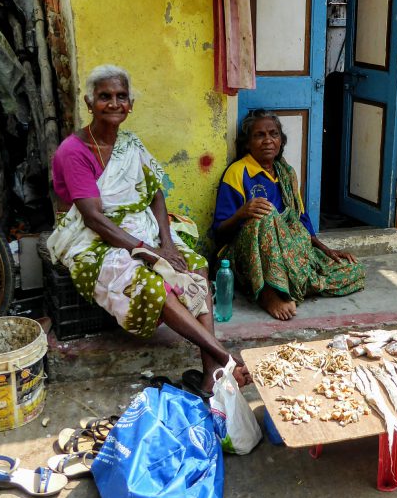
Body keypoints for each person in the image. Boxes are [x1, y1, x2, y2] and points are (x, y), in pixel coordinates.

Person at [47, 64, 250, 393]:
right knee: (155, 285)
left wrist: (166, 244)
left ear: (130, 104)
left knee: (196, 266)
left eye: (121, 96)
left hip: (139, 228)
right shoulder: (74, 152)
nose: (114, 103)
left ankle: (210, 373)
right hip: (93, 240)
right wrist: (148, 252)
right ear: (88, 102)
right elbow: (94, 219)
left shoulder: (129, 143)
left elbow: (154, 192)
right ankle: (225, 358)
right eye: (105, 97)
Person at [213, 109, 365, 320]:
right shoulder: (238, 172)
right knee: (266, 216)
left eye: (273, 134)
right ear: (247, 143)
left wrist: (326, 250)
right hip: (246, 255)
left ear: (280, 141)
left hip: (287, 251)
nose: (268, 140)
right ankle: (267, 293)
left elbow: (300, 220)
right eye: (259, 135)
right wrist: (242, 213)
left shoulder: (287, 173)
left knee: (354, 269)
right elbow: (219, 232)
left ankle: (291, 284)